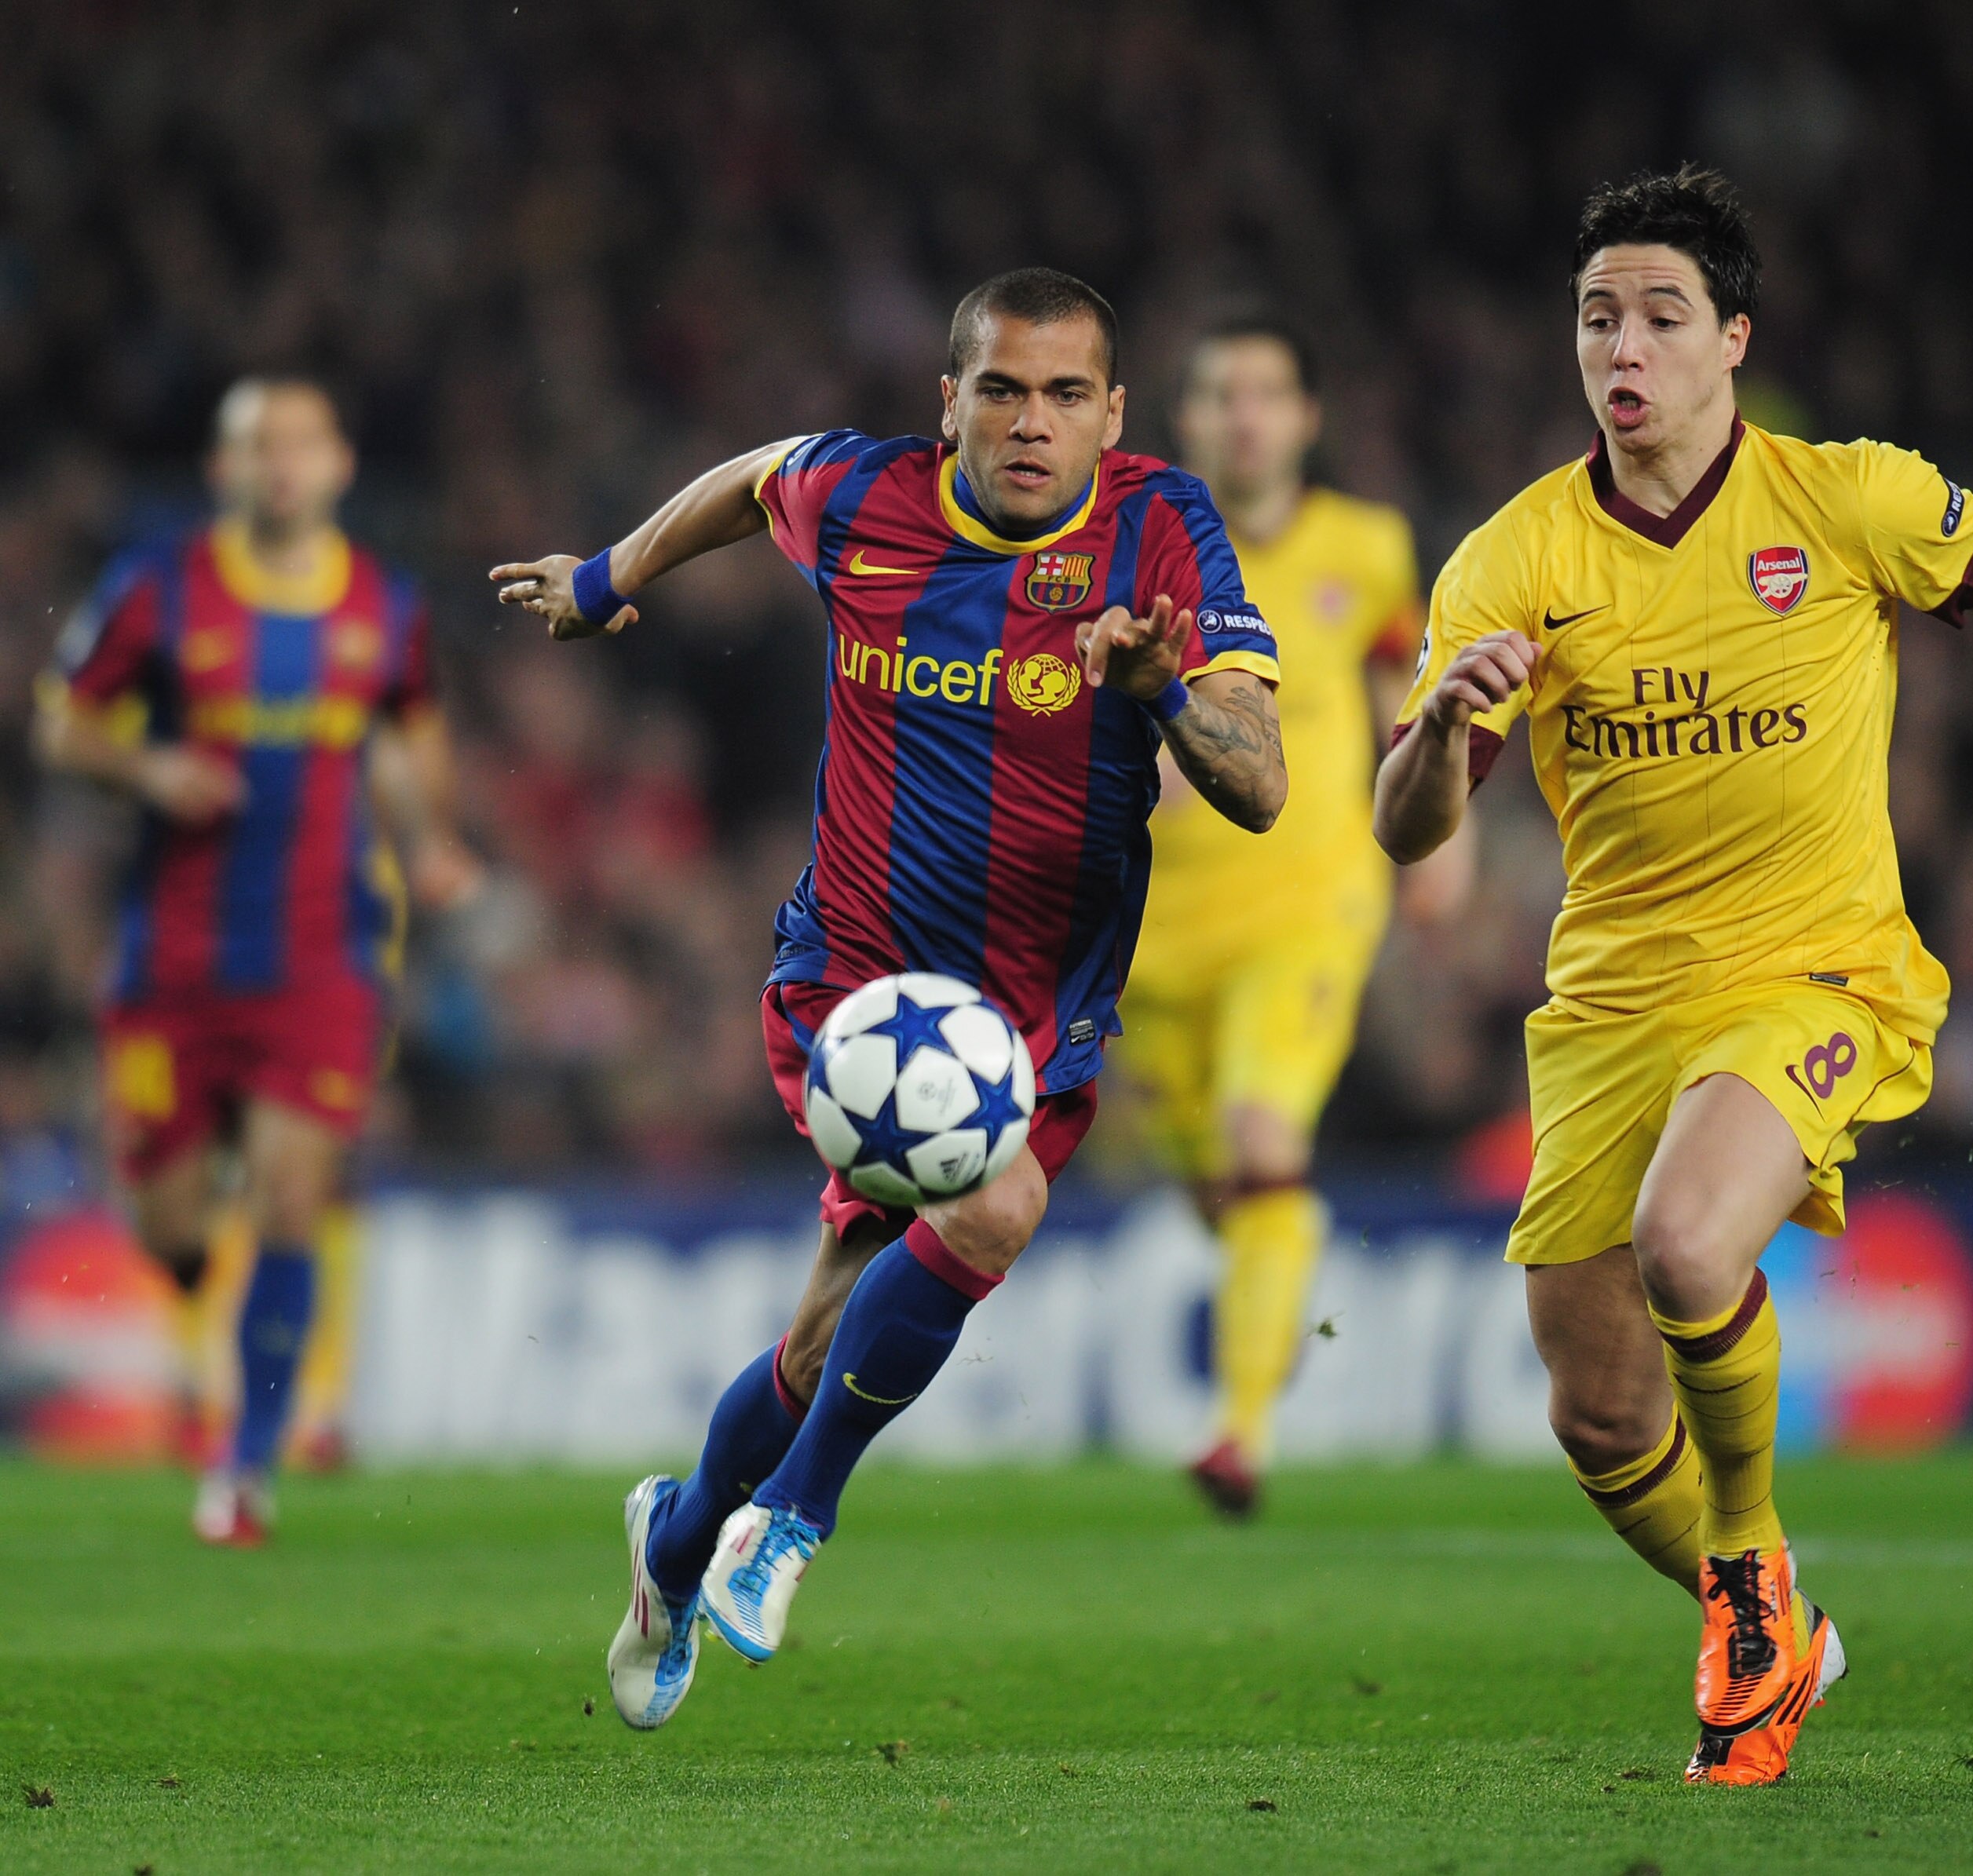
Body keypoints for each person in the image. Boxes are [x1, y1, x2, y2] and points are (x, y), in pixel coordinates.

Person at [1373, 167, 1973, 1785]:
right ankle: (1785, 1630)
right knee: (1602, 1417)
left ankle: (1751, 1576)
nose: (1624, 347)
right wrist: (1437, 728)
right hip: (1611, 1008)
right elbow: (1409, 829)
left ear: (1733, 341)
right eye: (1598, 317)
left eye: (1662, 317)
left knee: (1692, 1242)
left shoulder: (1847, 502)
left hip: (1818, 973)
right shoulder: (1512, 557)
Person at [491, 268, 1288, 1731]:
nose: (1030, 422)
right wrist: (609, 575)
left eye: (1064, 396)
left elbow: (1263, 781)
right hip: (857, 987)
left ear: (1114, 413)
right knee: (994, 1213)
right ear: (950, 401)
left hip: (1043, 1002)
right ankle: (791, 1525)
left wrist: (1165, 692)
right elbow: (753, 479)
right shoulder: (867, 499)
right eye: (1000, 389)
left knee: (821, 1340)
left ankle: (674, 1542)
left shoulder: (1162, 526)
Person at [36, 377, 476, 1545]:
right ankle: (200, 1306)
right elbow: (61, 719)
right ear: (222, 470)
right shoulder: (157, 589)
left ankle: (245, 1462)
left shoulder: (386, 605)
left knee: (292, 1197)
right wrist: (146, 770)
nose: (280, 466)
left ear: (338, 464)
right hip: (172, 964)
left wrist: (430, 844)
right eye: (255, 447)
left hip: (319, 957)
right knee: (173, 1228)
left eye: (300, 444)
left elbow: (403, 732)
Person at [1123, 316, 1466, 1516]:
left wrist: (1439, 833)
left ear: (1308, 418)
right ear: (1188, 418)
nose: (1247, 415)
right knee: (1220, 1191)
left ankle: (1241, 1432)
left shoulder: (1365, 545)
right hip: (1151, 929)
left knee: (1267, 1144)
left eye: (1269, 392)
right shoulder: (1127, 541)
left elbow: (1399, 691)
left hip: (1307, 905)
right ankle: (1273, 1306)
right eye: (1222, 393)